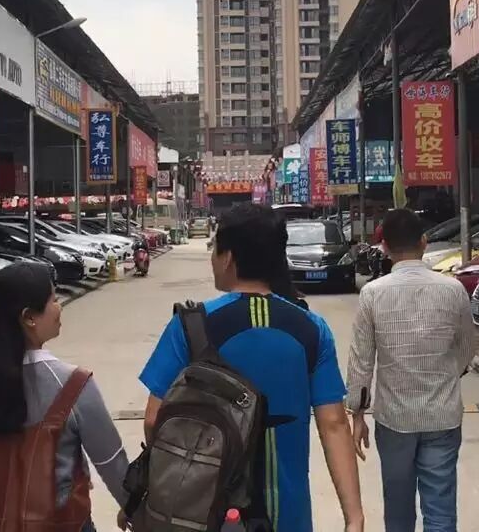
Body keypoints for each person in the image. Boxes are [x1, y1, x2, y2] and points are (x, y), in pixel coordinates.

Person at [139, 203, 364, 532]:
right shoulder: (310, 329)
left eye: (215, 247)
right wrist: (354, 518)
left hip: (206, 514)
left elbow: (153, 419)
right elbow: (334, 425)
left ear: (228, 257)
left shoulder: (191, 327)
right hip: (289, 517)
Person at [0, 262, 130, 532]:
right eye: (53, 299)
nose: (59, 307)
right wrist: (134, 509)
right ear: (29, 317)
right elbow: (112, 463)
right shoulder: (74, 386)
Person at [347, 208, 475, 532]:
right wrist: (447, 376)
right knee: (440, 509)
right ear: (424, 241)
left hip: (394, 418)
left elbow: (361, 360)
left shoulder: (373, 294)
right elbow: (466, 350)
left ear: (385, 247)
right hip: (442, 415)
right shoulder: (452, 289)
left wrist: (358, 414)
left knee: (398, 507)